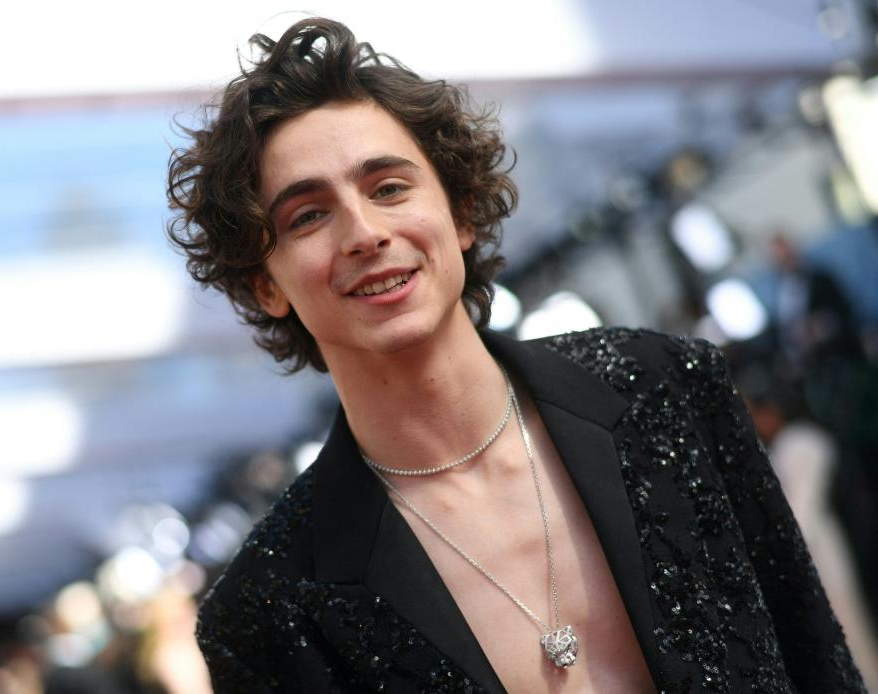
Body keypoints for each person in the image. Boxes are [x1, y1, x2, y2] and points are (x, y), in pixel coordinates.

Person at [166, 18, 865, 693]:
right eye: (308, 215)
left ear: (461, 213)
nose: (364, 231)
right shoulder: (269, 610)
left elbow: (820, 661)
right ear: (265, 284)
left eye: (388, 187)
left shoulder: (668, 389)